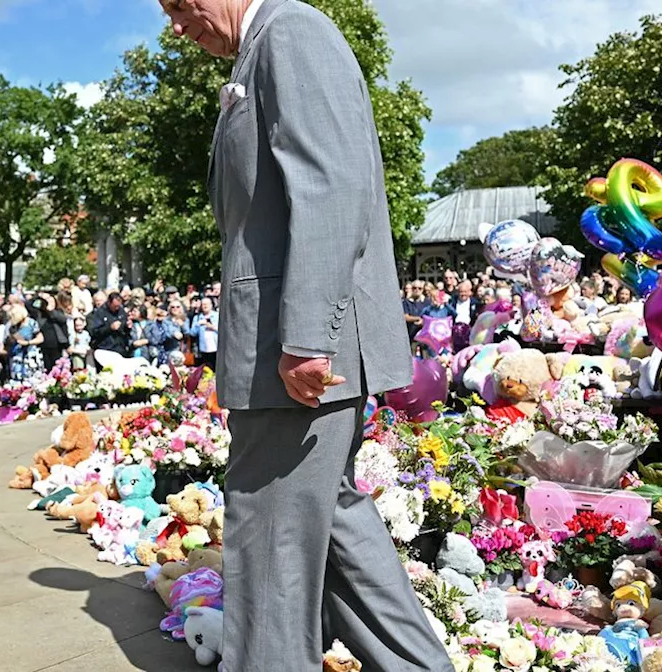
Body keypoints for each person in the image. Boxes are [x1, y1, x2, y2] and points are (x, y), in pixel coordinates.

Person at [162, 0, 452, 669]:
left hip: (291, 354)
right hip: (288, 347)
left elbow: (330, 189)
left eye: (180, 2)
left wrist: (307, 338)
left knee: (270, 540)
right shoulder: (264, 47)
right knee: (332, 527)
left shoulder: (288, 34)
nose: (176, 24)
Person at [6, 305, 43, 382]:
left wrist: (28, 342)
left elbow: (40, 338)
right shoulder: (13, 327)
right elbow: (16, 339)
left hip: (30, 354)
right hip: (17, 355)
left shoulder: (31, 323)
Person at [190, 297, 219, 370]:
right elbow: (192, 333)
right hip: (203, 349)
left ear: (211, 305)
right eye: (203, 304)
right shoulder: (197, 318)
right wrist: (198, 324)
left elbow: (224, 330)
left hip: (216, 347)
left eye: (207, 304)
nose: (205, 306)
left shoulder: (217, 315)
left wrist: (212, 327)